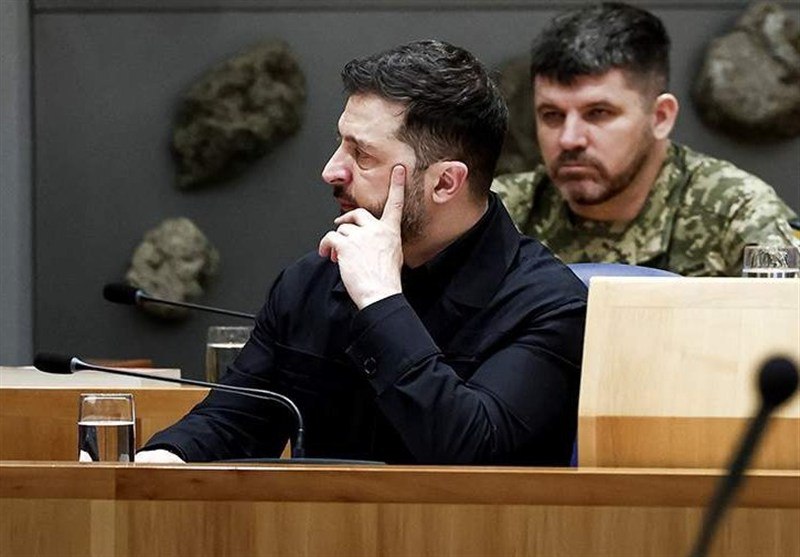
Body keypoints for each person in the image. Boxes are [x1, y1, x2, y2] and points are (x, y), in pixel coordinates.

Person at [136, 40, 587, 466]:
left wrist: (381, 302)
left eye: (363, 155)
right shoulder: (310, 282)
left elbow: (473, 453)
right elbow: (234, 421)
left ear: (445, 182)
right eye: (341, 143)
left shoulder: (551, 306)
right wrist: (160, 460)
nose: (331, 170)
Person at [492, 2, 799, 277]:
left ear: (660, 117)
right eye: (552, 115)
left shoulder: (736, 211)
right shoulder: (500, 212)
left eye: (598, 113)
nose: (569, 139)